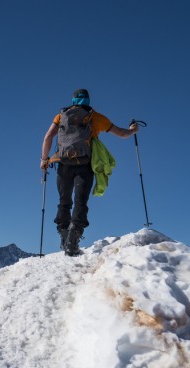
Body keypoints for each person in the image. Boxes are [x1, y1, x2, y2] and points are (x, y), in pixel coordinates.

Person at [40, 89, 139, 256]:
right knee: (80, 201)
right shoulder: (96, 117)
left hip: (63, 163)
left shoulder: (61, 116)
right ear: (88, 100)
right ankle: (74, 237)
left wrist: (44, 159)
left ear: (73, 99)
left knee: (64, 200)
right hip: (85, 164)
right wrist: (133, 129)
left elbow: (48, 136)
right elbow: (122, 133)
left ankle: (64, 234)